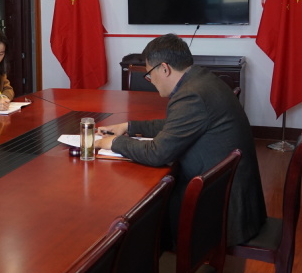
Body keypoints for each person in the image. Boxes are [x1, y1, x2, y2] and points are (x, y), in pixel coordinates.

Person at [95, 34, 266, 247]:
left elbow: (157, 154)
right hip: (235, 199)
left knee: (140, 218)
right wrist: (129, 127)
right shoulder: (201, 80)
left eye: (149, 74)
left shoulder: (191, 95)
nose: (151, 80)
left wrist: (112, 143)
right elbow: (175, 125)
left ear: (164, 69)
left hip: (223, 212)